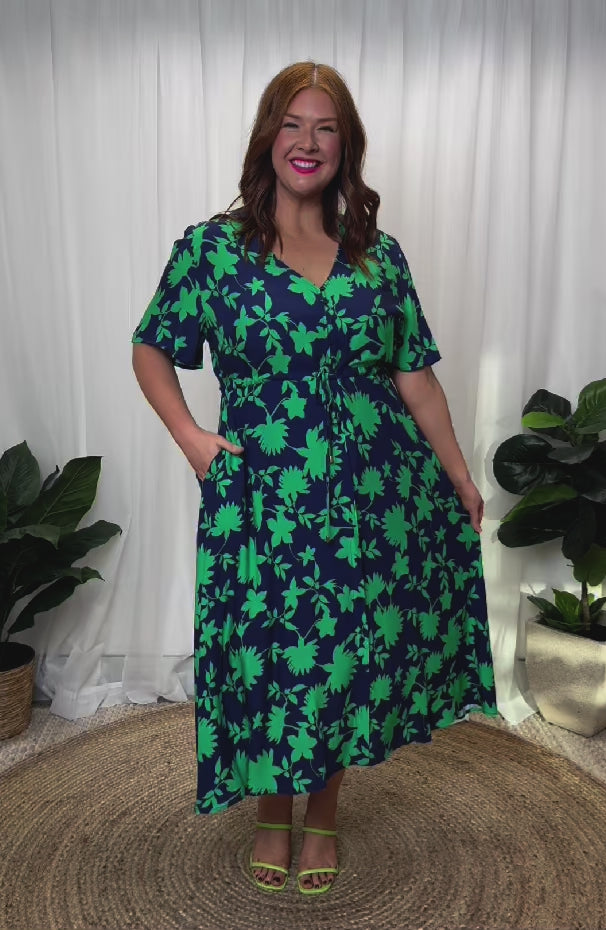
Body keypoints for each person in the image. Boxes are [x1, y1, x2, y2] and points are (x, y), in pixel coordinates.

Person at [131, 61, 498, 896]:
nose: (308, 142)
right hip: (262, 494)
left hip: (372, 492)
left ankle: (323, 814)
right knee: (269, 655)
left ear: (346, 147)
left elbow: (416, 379)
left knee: (341, 657)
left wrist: (458, 475)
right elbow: (151, 346)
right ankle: (272, 810)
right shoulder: (212, 251)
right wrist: (191, 437)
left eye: (326, 127)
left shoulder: (378, 257)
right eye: (293, 124)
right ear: (268, 137)